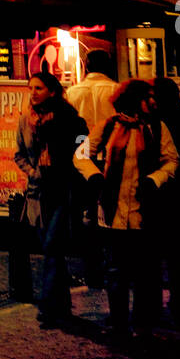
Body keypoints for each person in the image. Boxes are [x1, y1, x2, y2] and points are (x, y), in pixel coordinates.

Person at [75, 78, 178, 342]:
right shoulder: (109, 126)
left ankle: (142, 324)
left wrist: (154, 180)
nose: (153, 102)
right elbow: (81, 155)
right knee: (116, 271)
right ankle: (119, 323)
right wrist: (94, 176)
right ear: (135, 100)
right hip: (114, 212)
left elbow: (171, 160)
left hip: (144, 210)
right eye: (148, 97)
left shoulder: (156, 127)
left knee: (144, 271)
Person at [15, 69, 87, 329]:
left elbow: (83, 145)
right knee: (51, 249)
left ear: (53, 91)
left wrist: (76, 165)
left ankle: (46, 307)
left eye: (39, 88)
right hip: (38, 190)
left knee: (52, 247)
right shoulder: (26, 120)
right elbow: (19, 154)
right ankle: (63, 306)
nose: (33, 93)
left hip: (63, 188)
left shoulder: (69, 118)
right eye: (31, 88)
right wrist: (32, 172)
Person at [68, 51, 119, 288]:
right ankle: (113, 264)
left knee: (86, 214)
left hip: (83, 161)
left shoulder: (73, 92)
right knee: (110, 213)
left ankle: (92, 269)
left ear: (86, 66)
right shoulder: (116, 90)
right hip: (111, 160)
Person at [149, 77, 180, 324]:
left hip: (158, 191)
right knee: (178, 255)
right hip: (179, 191)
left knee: (154, 253)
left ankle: (156, 305)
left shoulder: (152, 121)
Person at [67, 49, 118, 128]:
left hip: (81, 138)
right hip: (110, 137)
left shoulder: (71, 91)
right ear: (109, 66)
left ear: (87, 67)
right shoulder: (116, 89)